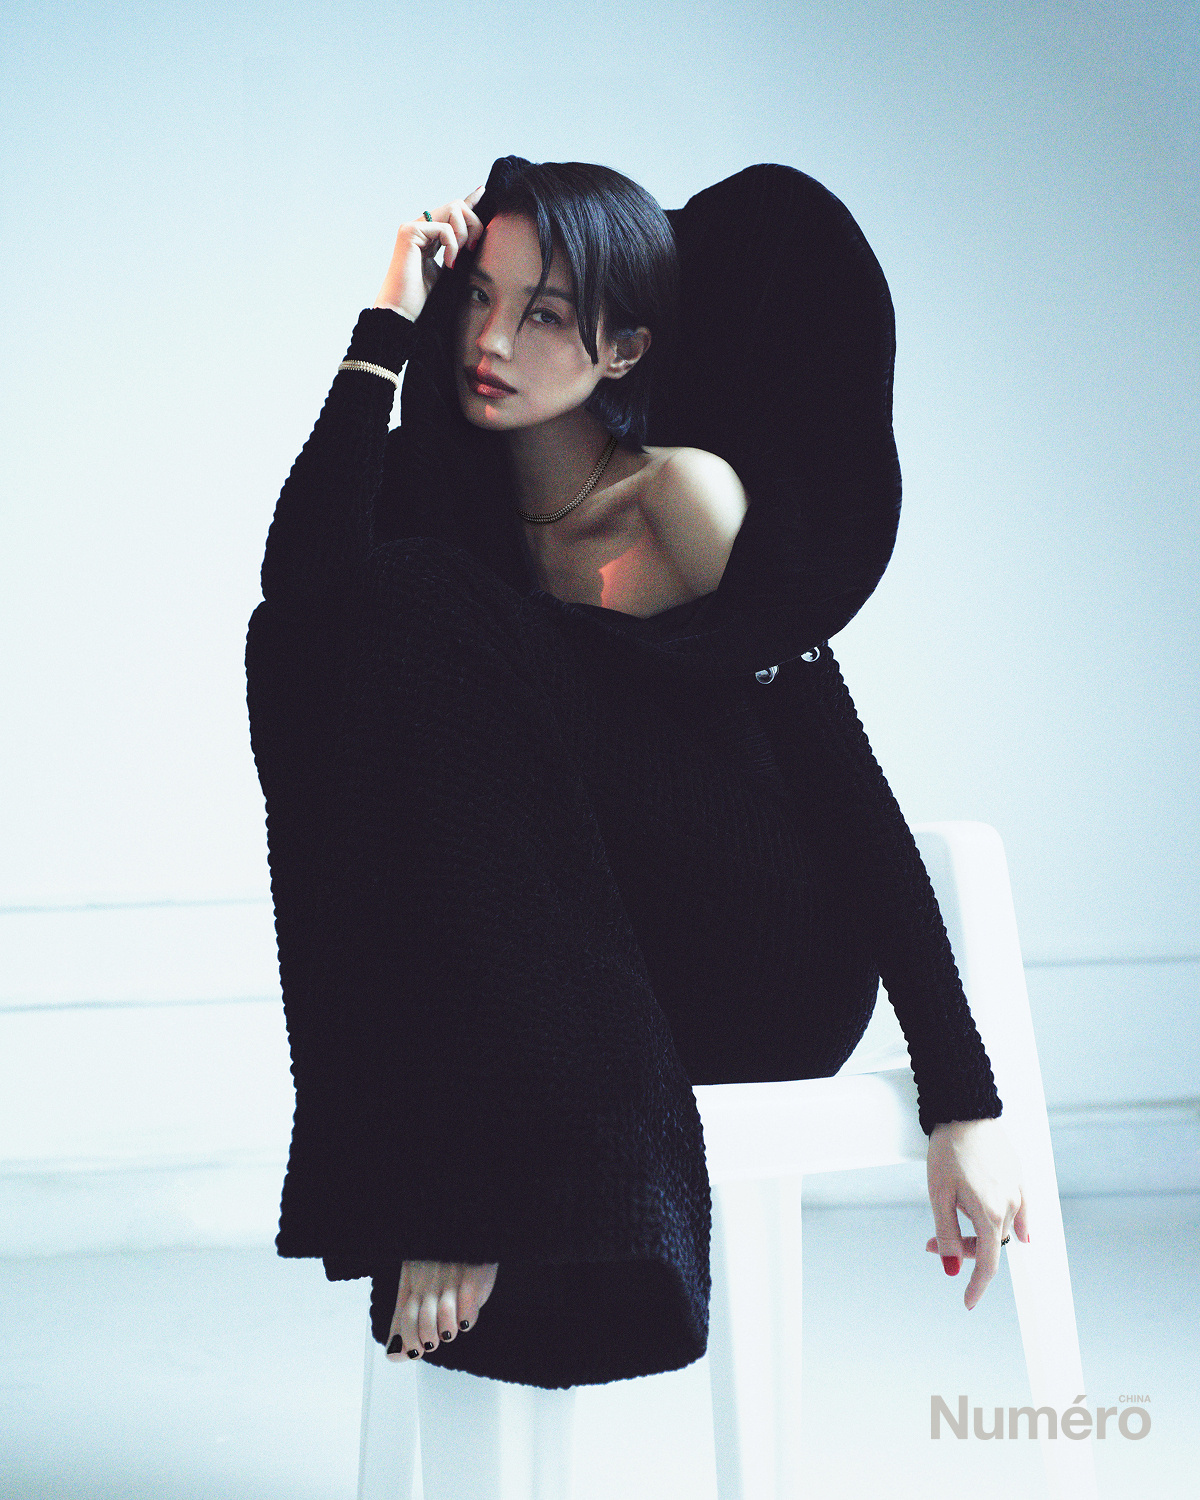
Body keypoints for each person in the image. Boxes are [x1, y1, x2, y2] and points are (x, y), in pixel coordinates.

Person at [245, 157, 1029, 1468]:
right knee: (347, 635)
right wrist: (388, 318)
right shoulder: (458, 528)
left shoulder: (681, 499)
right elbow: (300, 599)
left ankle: (464, 1183)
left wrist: (966, 1099)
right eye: (479, 298)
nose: (492, 342)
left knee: (420, 613)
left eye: (545, 314)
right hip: (587, 971)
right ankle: (466, 1176)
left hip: (764, 953)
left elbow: (841, 778)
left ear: (624, 349)